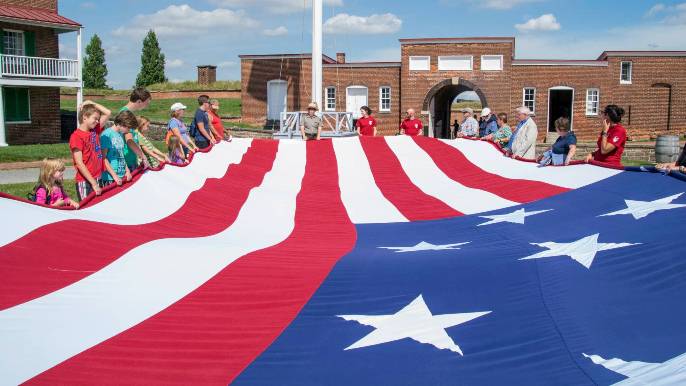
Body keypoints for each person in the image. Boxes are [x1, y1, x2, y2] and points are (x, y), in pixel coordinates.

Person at [69, 103, 110, 201]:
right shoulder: (76, 136)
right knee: (87, 208)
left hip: (98, 177)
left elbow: (108, 113)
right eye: (95, 118)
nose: (97, 121)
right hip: (86, 181)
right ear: (85, 117)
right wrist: (93, 183)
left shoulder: (94, 130)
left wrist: (90, 103)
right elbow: (79, 163)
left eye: (98, 119)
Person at [101, 111, 138, 187]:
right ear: (122, 124)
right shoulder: (107, 135)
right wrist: (114, 176)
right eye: (129, 128)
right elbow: (103, 158)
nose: (129, 130)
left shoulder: (120, 135)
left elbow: (121, 155)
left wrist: (127, 171)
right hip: (110, 178)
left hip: (121, 176)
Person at [119, 88, 152, 170]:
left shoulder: (129, 113)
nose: (147, 106)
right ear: (139, 101)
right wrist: (143, 156)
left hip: (131, 159)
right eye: (146, 103)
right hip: (127, 162)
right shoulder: (125, 114)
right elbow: (129, 140)